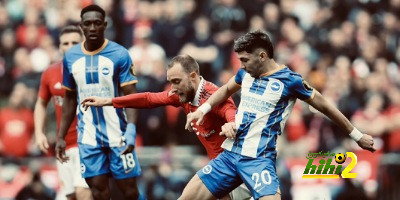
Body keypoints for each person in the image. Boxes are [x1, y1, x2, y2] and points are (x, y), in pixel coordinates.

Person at [182, 30, 376, 200]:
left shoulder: (290, 81)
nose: (241, 66)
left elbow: (325, 106)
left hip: (259, 159)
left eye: (245, 60)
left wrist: (357, 135)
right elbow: (225, 90)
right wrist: (202, 109)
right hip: (230, 156)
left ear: (262, 56)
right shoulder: (245, 74)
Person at [81, 54, 252, 200]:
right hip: (220, 169)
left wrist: (231, 124)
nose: (173, 89)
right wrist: (109, 101)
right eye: (171, 82)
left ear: (193, 76)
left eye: (176, 81)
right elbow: (148, 99)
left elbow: (229, 110)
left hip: (234, 168)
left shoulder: (212, 96)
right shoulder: (182, 94)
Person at [55, 5, 141, 200]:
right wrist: (61, 135)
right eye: (88, 24)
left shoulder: (120, 54)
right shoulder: (70, 58)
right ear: (81, 27)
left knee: (129, 192)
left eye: (97, 23)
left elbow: (132, 97)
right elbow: (69, 98)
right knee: (98, 193)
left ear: (105, 25)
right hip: (88, 138)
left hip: (118, 135)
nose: (92, 28)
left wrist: (131, 130)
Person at [34, 25, 92, 200]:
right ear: (59, 47)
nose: (69, 46)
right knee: (70, 196)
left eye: (75, 42)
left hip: (88, 144)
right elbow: (41, 103)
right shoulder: (50, 72)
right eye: (65, 43)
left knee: (84, 194)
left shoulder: (92, 70)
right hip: (63, 146)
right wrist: (39, 133)